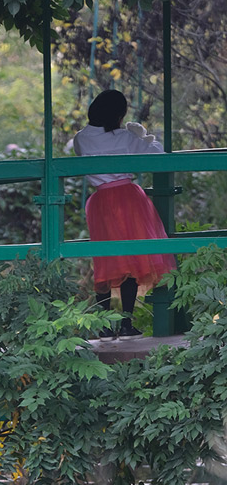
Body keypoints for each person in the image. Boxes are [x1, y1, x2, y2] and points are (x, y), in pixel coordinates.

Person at [73, 89, 177, 339]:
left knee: (106, 259)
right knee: (131, 258)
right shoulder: (124, 137)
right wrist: (144, 135)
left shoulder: (81, 138)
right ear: (119, 115)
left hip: (100, 201)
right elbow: (156, 155)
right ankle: (127, 324)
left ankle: (104, 325)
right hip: (128, 199)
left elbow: (81, 155)